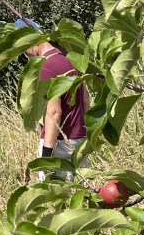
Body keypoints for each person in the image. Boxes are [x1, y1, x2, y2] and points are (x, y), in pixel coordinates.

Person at [14, 18, 90, 173]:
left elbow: (54, 113)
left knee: (56, 194)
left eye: (23, 47)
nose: (25, 53)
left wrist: (46, 154)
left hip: (60, 144)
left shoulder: (46, 67)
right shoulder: (70, 57)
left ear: (30, 39)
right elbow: (86, 99)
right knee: (82, 192)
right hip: (80, 140)